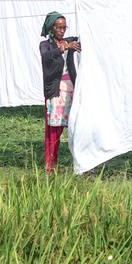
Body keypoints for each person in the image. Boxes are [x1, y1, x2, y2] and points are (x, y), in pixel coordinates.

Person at [39, 11, 80, 171]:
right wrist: (63, 49)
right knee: (54, 130)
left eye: (64, 28)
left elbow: (86, 39)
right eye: (59, 28)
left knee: (75, 125)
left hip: (71, 90)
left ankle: (79, 162)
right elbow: (46, 57)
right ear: (52, 28)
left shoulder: (70, 42)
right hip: (55, 93)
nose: (62, 31)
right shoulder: (45, 45)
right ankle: (50, 165)